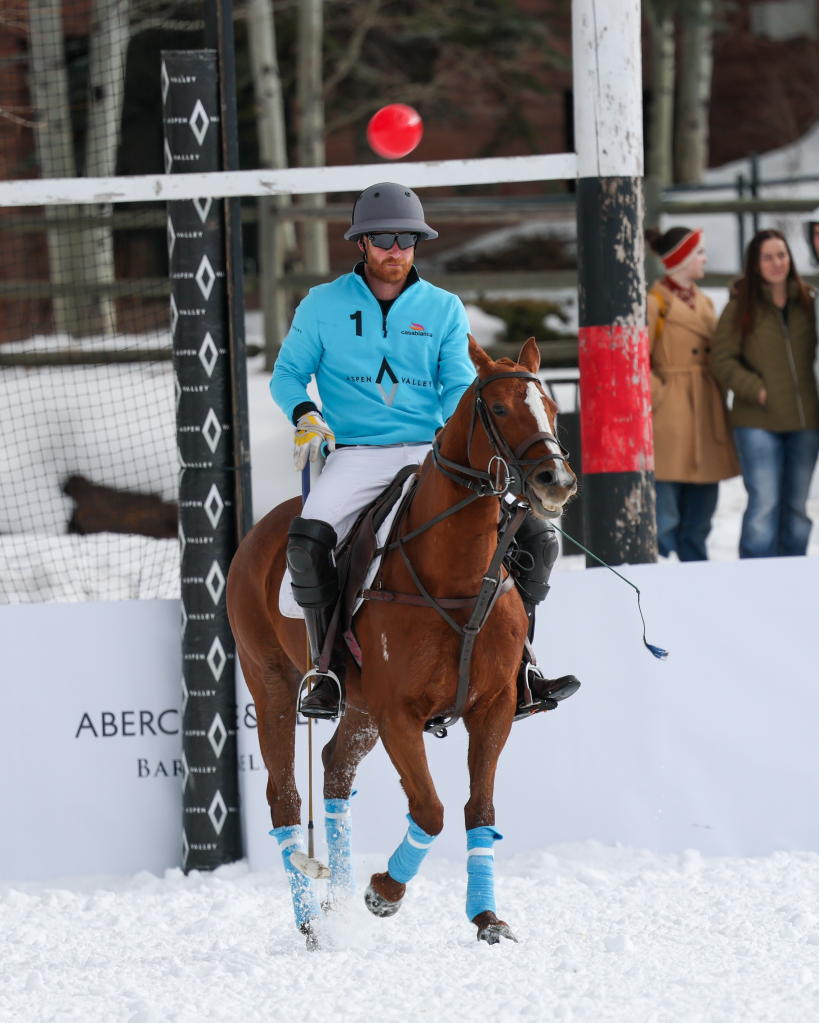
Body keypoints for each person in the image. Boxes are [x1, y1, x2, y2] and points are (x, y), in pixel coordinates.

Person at [270, 182, 575, 719]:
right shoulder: (321, 305)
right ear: (361, 243)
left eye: (407, 239)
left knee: (536, 540)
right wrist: (305, 415)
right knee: (307, 541)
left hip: (432, 453)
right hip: (357, 454)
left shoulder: (442, 308)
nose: (396, 249)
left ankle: (522, 666)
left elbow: (459, 389)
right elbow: (289, 374)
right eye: (383, 238)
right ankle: (327, 672)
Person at [711, 229, 819, 558]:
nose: (777, 263)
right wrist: (756, 389)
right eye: (768, 257)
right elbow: (721, 359)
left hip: (805, 422)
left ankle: (792, 575)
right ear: (755, 265)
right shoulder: (741, 307)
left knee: (797, 507)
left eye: (782, 255)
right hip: (757, 422)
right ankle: (755, 580)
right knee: (764, 504)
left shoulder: (808, 303)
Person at [646, 226, 740, 561]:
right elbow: (640, 359)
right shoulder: (654, 302)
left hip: (706, 406)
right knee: (666, 509)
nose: (705, 259)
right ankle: (667, 566)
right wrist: (661, 392)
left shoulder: (704, 301)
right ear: (681, 259)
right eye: (698, 252)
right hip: (671, 411)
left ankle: (696, 566)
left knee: (703, 505)